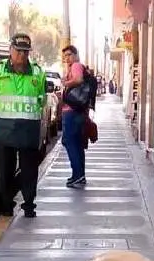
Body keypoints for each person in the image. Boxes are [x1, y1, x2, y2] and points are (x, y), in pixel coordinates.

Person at [0, 33, 47, 218]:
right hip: (4, 128)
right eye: (18, 50)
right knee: (5, 170)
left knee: (29, 171)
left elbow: (42, 98)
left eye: (25, 52)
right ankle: (6, 205)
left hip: (28, 129)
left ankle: (29, 205)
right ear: (10, 50)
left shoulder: (37, 72)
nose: (22, 55)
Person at [61, 45, 88, 188]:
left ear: (76, 55)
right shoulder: (72, 66)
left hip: (72, 111)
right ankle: (79, 174)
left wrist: (66, 83)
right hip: (75, 111)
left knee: (69, 141)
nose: (67, 58)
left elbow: (78, 80)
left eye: (69, 55)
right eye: (65, 56)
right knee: (76, 143)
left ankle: (77, 174)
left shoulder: (76, 65)